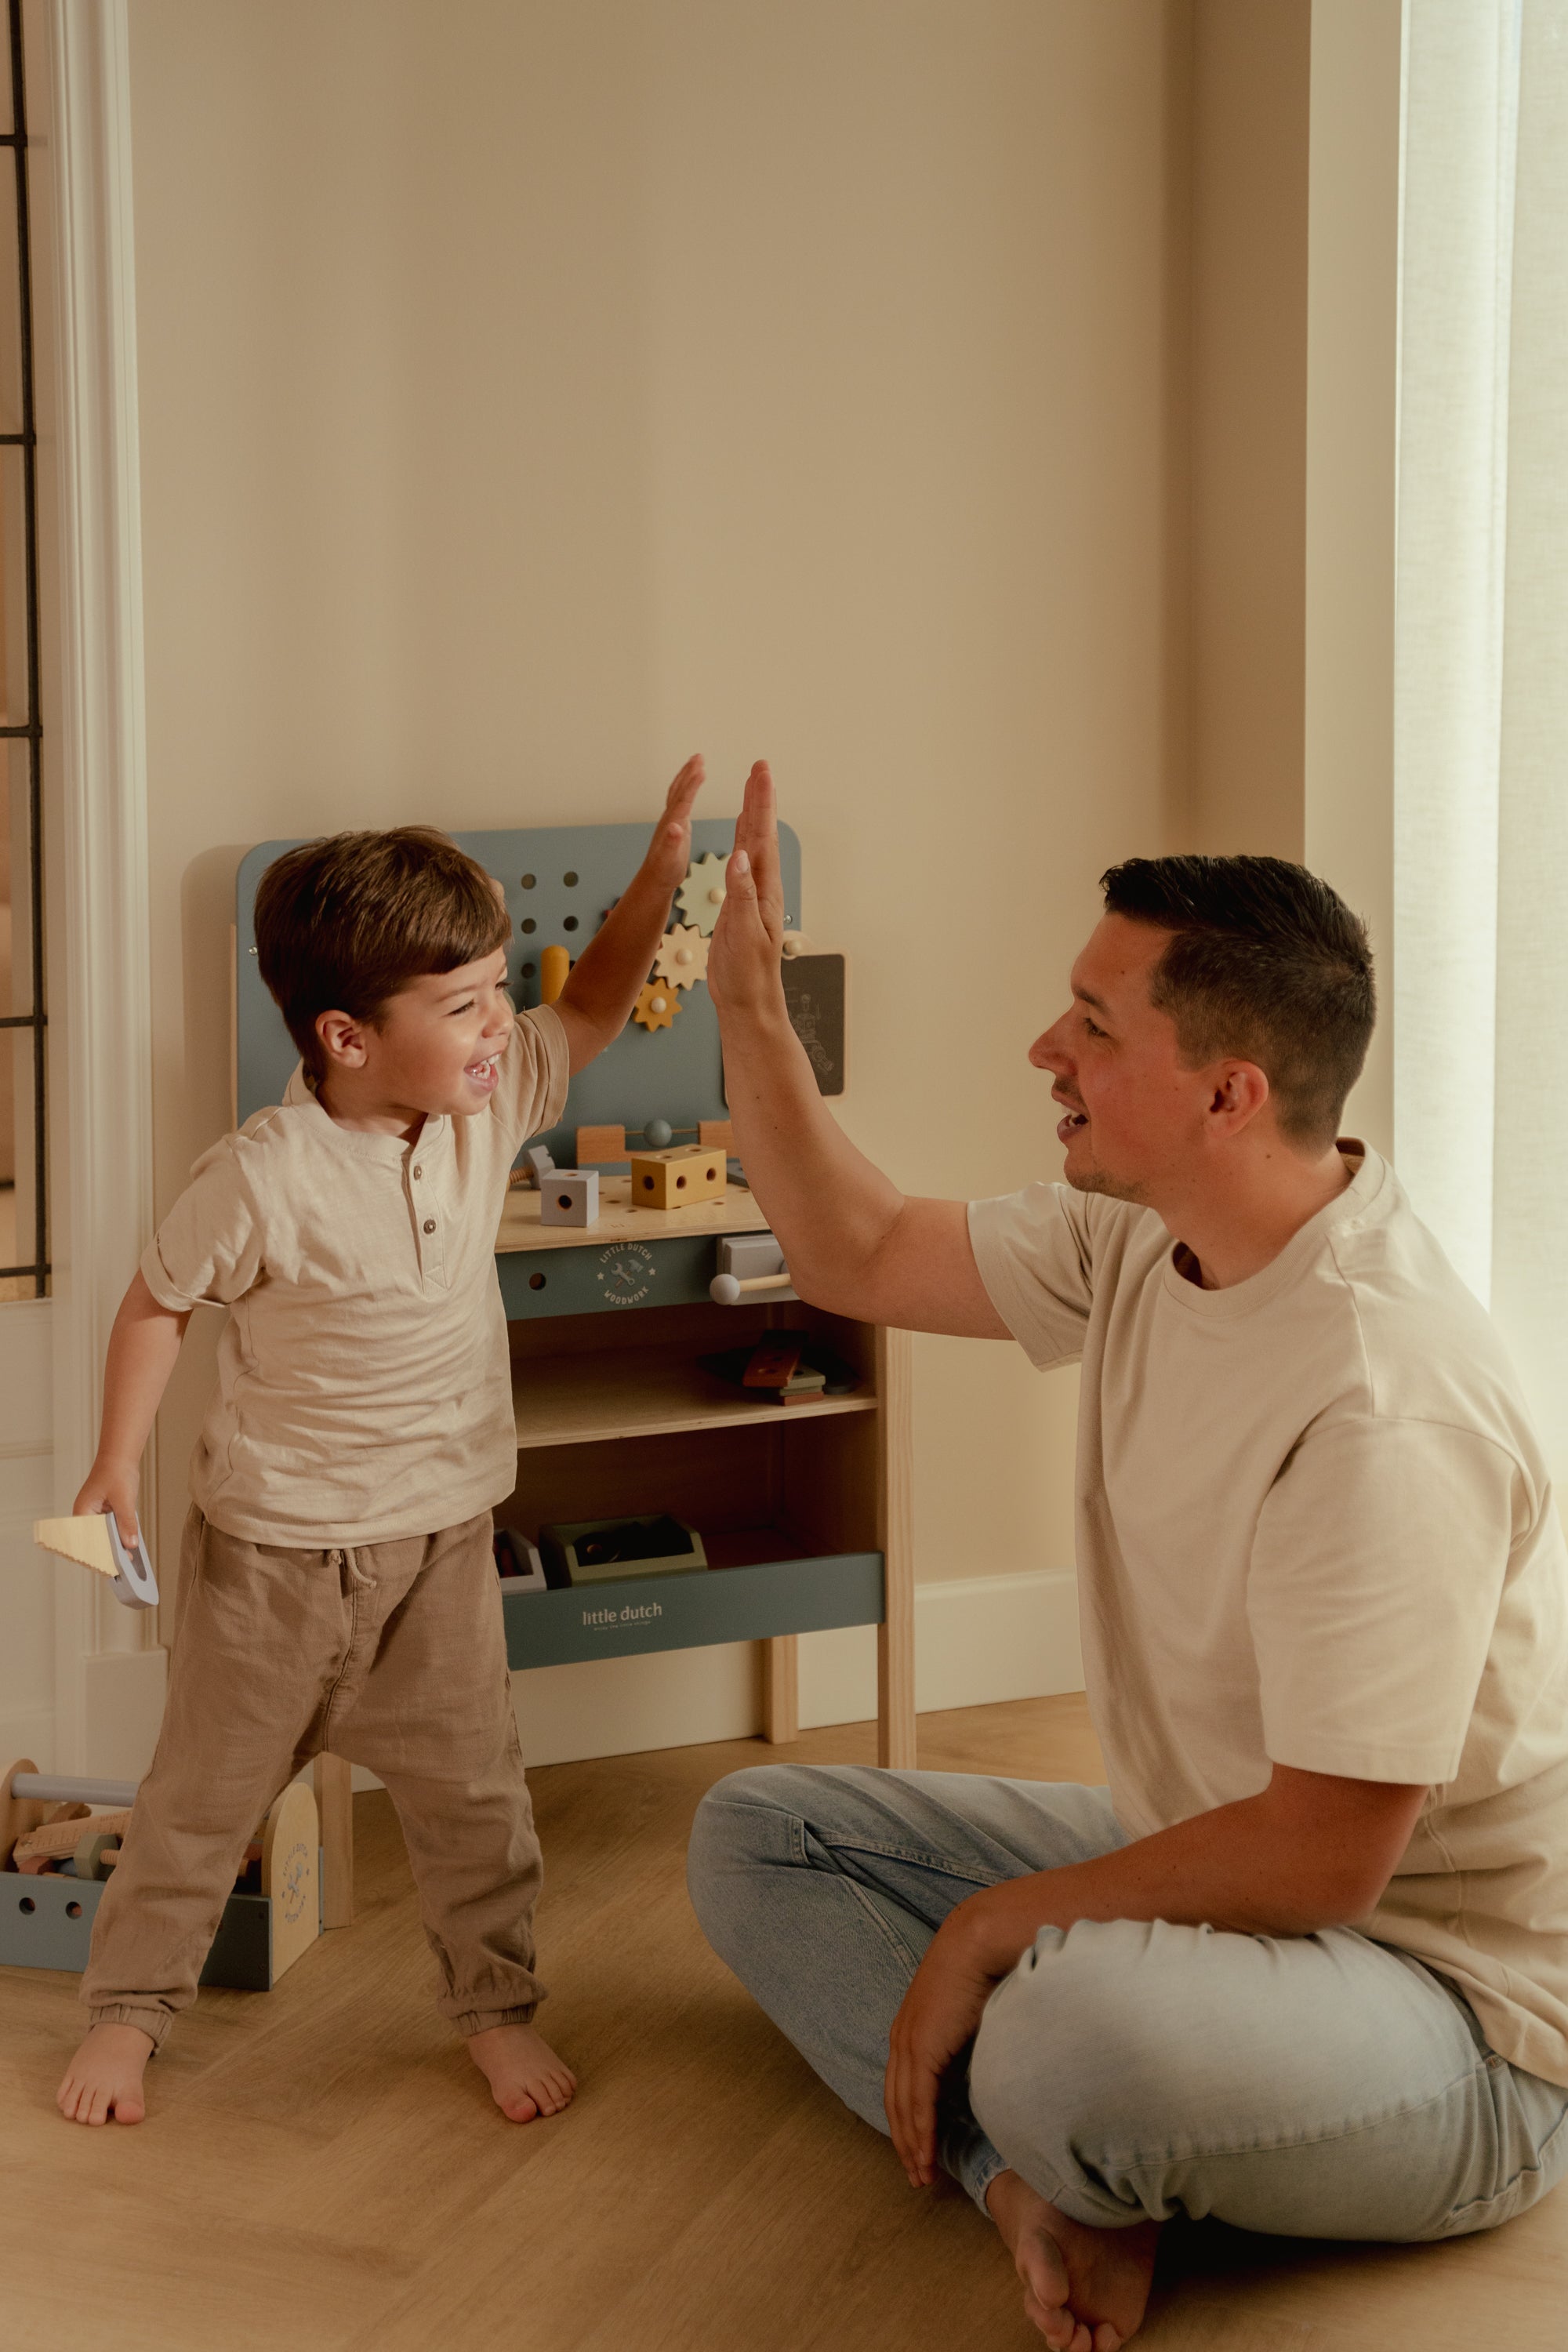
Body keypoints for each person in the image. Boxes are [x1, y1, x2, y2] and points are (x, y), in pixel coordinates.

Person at [688, 763, 1568, 2352]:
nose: (1047, 1052)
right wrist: (748, 1012)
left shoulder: (1382, 1401)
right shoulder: (1146, 1238)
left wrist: (982, 1929)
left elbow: (1325, 1862)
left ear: (1229, 1092)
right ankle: (1022, 2187)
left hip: (1442, 2008)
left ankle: (1053, 2126)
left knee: (1057, 2041)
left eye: (1093, 1025)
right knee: (758, 1834)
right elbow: (859, 1247)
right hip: (1225, 1880)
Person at [56, 759, 706, 2129]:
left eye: (491, 992)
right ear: (347, 1037)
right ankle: (128, 2014)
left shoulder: (490, 1103)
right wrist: (115, 1460)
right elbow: (157, 1304)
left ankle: (495, 2010)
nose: (496, 1025)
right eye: (463, 1003)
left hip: (440, 1547)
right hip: (274, 1561)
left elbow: (589, 999)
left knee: (478, 1805)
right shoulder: (263, 1174)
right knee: (198, 1805)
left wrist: (659, 876)